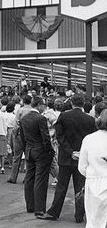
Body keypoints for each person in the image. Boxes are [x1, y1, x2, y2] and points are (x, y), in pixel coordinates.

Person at [38, 93, 96, 223]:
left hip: (66, 158)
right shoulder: (90, 120)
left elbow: (60, 137)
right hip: (82, 159)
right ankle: (79, 215)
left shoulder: (64, 116)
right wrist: (80, 152)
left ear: (72, 103)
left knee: (61, 187)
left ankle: (54, 212)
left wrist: (71, 152)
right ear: (83, 103)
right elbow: (92, 139)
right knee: (80, 188)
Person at [19, 97, 54, 217]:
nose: (44, 107)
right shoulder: (41, 118)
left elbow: (22, 137)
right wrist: (50, 150)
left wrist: (26, 149)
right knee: (40, 179)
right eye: (43, 105)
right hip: (41, 151)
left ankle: (30, 205)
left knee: (29, 177)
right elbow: (45, 137)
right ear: (39, 105)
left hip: (29, 150)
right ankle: (39, 208)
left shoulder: (23, 118)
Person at [78, 109, 107, 228]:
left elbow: (82, 167)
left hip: (95, 182)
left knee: (95, 221)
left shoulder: (89, 139)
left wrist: (92, 174)